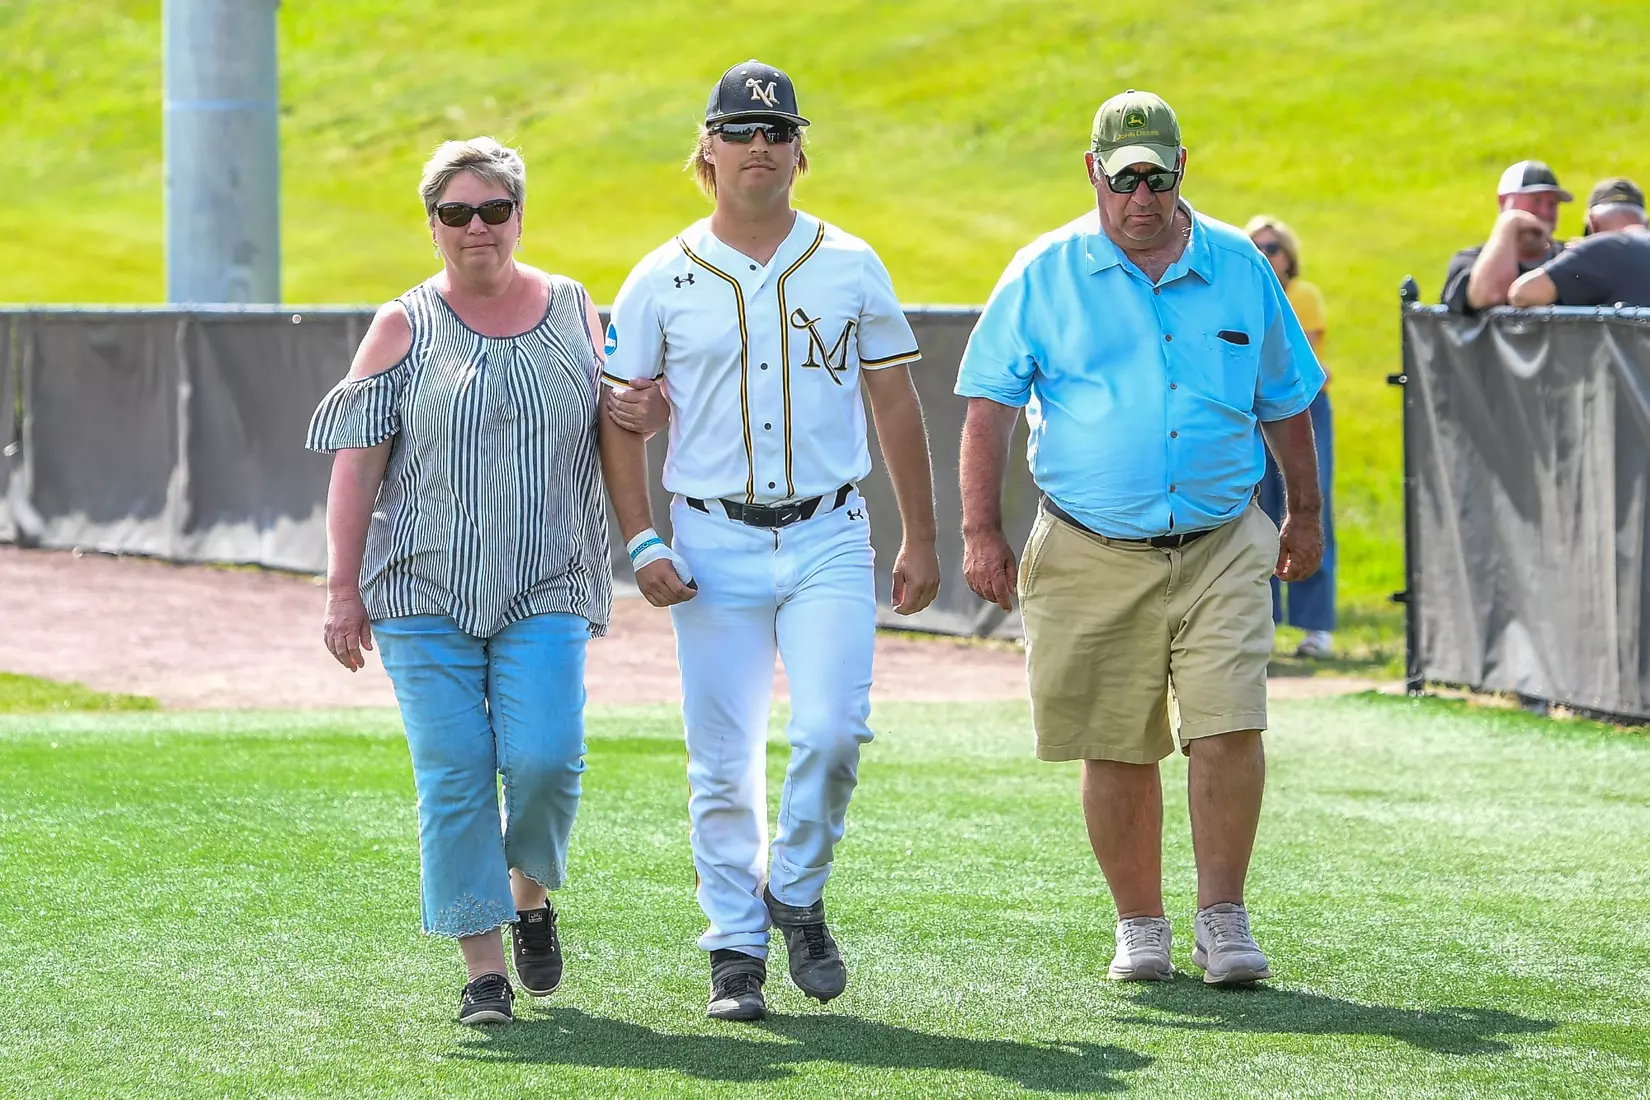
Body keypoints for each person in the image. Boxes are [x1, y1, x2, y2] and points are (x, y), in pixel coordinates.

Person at [956, 90, 1325, 987]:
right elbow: (989, 410)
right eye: (1125, 180)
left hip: (1221, 538)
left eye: (1157, 177)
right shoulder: (1041, 273)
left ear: (1181, 169)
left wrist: (1306, 512)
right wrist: (980, 532)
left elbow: (1286, 399)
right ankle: (1142, 926)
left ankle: (1223, 918)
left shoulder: (1241, 266)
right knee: (1115, 741)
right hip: (1088, 544)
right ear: (1094, 174)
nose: (1142, 198)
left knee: (1230, 722)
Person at [601, 59, 941, 1023]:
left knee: (834, 731)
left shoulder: (850, 261)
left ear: (800, 149)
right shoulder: (661, 274)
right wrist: (640, 542)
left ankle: (794, 887)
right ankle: (735, 949)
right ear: (705, 151)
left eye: (776, 131)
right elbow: (619, 418)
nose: (759, 147)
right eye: (739, 132)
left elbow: (895, 403)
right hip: (709, 540)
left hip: (831, 529)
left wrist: (920, 535)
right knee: (722, 758)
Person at [306, 137, 613, 1027]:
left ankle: (528, 896)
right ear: (432, 223)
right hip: (420, 590)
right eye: (456, 213)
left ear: (520, 215)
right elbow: (356, 465)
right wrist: (341, 590)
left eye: (493, 210)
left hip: (549, 576)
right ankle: (484, 969)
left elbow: (623, 416)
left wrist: (648, 410)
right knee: (456, 775)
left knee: (546, 760)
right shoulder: (403, 324)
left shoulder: (572, 307)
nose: (476, 228)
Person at [1246, 216, 1336, 659]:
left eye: (1272, 248)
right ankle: (1263, 619)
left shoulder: (1303, 296)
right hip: (1251, 410)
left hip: (1304, 406)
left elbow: (1306, 368)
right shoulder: (1240, 294)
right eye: (1256, 247)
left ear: (1288, 255)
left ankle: (1316, 626)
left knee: (1308, 508)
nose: (1265, 255)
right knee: (1258, 514)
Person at [1441, 160, 1572, 313]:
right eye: (1536, 200)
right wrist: (1510, 221)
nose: (1544, 212)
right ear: (1503, 201)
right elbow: (1490, 296)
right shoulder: (1470, 261)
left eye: (1552, 204)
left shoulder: (1566, 258)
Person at [1509, 178, 1650, 308]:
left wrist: (1577, 255)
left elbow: (1521, 294)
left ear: (1592, 223)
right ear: (1646, 223)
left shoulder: (1601, 250)